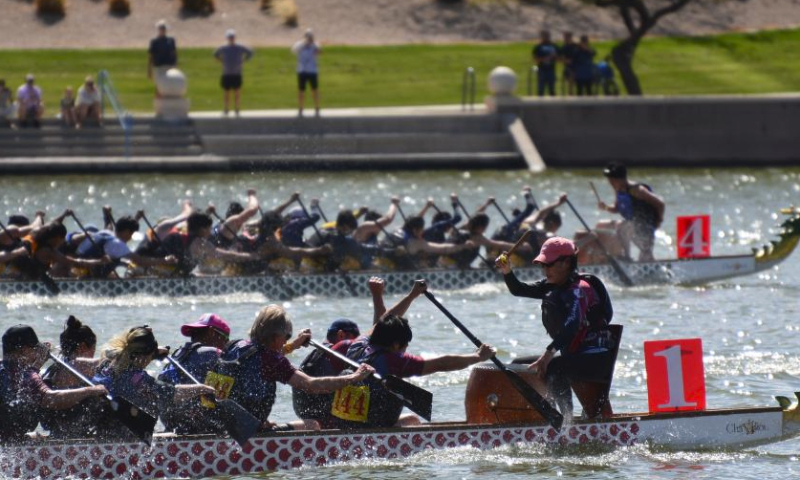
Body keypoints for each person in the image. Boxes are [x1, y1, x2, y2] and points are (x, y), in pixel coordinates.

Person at [333, 280, 494, 429]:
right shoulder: (391, 361)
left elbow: (382, 321)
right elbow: (441, 364)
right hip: (371, 430)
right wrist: (478, 357)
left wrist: (412, 295)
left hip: (344, 423)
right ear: (396, 345)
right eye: (405, 346)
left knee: (411, 419)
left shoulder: (358, 344)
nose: (405, 350)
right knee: (413, 420)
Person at [495, 237, 616, 421]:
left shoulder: (579, 289)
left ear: (566, 262)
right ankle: (542, 416)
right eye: (542, 266)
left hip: (595, 359)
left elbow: (573, 323)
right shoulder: (551, 286)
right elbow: (519, 289)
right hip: (574, 357)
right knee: (519, 365)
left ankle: (566, 422)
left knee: (554, 368)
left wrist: (548, 354)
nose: (545, 270)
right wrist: (507, 271)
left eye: (549, 265)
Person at [208, 305, 374, 431]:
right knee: (313, 424)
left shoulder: (236, 346)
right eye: (286, 336)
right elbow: (310, 385)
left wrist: (294, 345)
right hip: (246, 433)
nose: (286, 341)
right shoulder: (272, 360)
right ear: (274, 336)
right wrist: (353, 378)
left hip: (219, 423)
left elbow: (261, 359)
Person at [93, 326, 215, 440]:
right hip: (118, 442)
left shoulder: (107, 363)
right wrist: (202, 388)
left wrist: (154, 353)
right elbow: (172, 393)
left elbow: (136, 347)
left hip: (98, 429)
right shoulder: (139, 380)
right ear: (145, 355)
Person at [0, 324, 107, 443]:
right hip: (7, 443)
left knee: (33, 434)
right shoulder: (26, 375)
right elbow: (52, 399)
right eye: (35, 350)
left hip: (7, 436)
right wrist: (91, 391)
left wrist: (36, 367)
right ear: (24, 350)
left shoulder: (7, 369)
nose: (37, 354)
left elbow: (27, 385)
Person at [158, 313, 231, 434]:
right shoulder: (215, 354)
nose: (226, 346)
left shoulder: (176, 355)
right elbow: (221, 398)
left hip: (169, 423)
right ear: (212, 332)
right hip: (198, 426)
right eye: (226, 339)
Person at [41, 316, 105, 438]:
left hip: (57, 434)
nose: (93, 355)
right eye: (93, 350)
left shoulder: (54, 368)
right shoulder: (74, 366)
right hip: (73, 441)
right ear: (82, 347)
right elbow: (106, 363)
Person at [292, 318, 361, 426]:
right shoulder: (343, 347)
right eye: (356, 340)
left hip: (303, 411)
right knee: (351, 375)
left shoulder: (317, 352)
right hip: (321, 413)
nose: (358, 346)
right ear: (341, 335)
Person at [597, 162, 664, 261]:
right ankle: (626, 257)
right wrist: (606, 207)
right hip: (632, 225)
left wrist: (658, 222)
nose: (610, 184)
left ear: (620, 179)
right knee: (605, 225)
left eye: (612, 181)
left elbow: (660, 204)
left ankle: (636, 261)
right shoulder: (619, 189)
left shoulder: (637, 190)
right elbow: (616, 208)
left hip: (645, 226)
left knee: (645, 254)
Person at [74, 214, 177, 278]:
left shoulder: (106, 233)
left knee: (116, 268)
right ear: (126, 232)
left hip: (80, 267)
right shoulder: (117, 243)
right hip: (88, 271)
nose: (131, 238)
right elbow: (139, 261)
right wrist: (164, 261)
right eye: (131, 234)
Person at [11, 220, 113, 281]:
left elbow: (48, 225)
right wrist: (100, 261)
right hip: (32, 281)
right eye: (63, 238)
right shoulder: (48, 251)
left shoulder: (38, 240)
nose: (64, 241)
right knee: (65, 266)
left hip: (28, 277)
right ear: (56, 238)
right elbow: (76, 263)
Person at [214, 29, 253, 117]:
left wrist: (244, 60)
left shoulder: (240, 47)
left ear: (235, 38)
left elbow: (250, 53)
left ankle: (237, 108)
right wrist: (221, 61)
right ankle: (226, 109)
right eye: (229, 37)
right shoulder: (223, 48)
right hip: (226, 73)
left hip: (237, 73)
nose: (231, 38)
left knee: (237, 92)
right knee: (226, 92)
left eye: (232, 37)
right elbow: (215, 54)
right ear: (227, 38)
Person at [291, 28, 321, 117]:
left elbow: (319, 52)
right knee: (301, 91)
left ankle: (317, 107)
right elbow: (293, 51)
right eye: (308, 36)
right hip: (302, 71)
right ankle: (300, 108)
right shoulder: (300, 44)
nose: (309, 38)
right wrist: (304, 44)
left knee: (315, 90)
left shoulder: (315, 45)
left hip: (312, 71)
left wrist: (313, 46)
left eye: (311, 36)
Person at [148, 20, 178, 96]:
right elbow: (151, 55)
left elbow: (174, 53)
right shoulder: (154, 41)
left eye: (164, 28)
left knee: (171, 85)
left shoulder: (171, 40)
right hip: (159, 66)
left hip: (170, 65)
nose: (162, 30)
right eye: (161, 28)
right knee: (159, 86)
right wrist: (149, 69)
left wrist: (176, 64)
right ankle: (158, 102)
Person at [533, 30, 558, 97]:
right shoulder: (538, 47)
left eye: (547, 36)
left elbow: (559, 57)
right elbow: (535, 58)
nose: (546, 37)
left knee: (552, 89)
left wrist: (554, 57)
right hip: (542, 70)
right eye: (545, 36)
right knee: (541, 89)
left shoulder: (553, 46)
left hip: (551, 69)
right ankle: (539, 105)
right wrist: (545, 59)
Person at [559, 32, 579, 96]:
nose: (565, 39)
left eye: (567, 37)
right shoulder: (564, 47)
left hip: (576, 66)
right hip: (568, 67)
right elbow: (560, 58)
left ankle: (573, 94)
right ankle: (570, 94)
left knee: (574, 81)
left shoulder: (576, 46)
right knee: (569, 82)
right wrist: (565, 60)